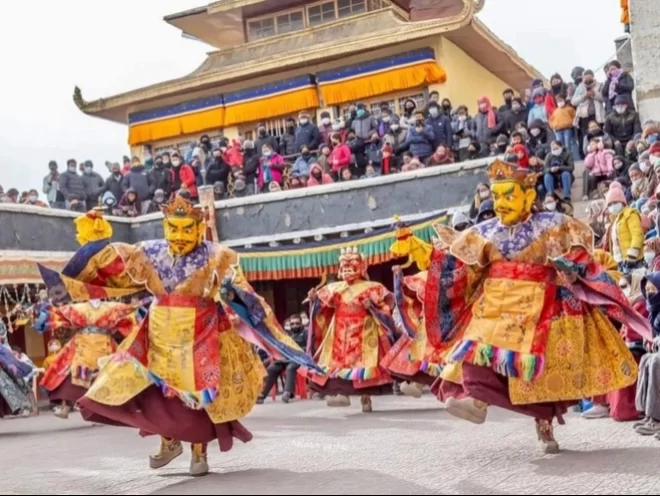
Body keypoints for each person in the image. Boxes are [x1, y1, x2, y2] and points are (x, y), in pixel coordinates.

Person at [40, 196, 319, 477]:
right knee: (153, 390)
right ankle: (169, 441)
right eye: (173, 228)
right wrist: (96, 239)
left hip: (201, 330)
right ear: (165, 227)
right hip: (159, 330)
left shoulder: (218, 256)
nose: (180, 236)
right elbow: (113, 266)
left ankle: (199, 452)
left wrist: (242, 304)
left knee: (195, 391)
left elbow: (242, 293)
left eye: (187, 229)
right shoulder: (149, 252)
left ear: (199, 228)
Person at [425, 159, 650, 453]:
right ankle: (477, 399)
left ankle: (544, 423)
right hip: (495, 304)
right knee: (475, 345)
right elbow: (467, 266)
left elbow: (581, 261)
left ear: (529, 197)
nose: (501, 203)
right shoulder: (483, 232)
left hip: (538, 304)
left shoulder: (554, 227)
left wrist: (570, 270)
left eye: (509, 195)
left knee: (537, 373)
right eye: (496, 196)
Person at [307, 247, 396, 412]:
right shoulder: (334, 288)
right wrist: (315, 301)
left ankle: (366, 396)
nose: (347, 267)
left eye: (352, 263)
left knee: (364, 364)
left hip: (363, 329)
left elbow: (385, 307)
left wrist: (373, 307)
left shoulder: (372, 287)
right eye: (344, 264)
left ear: (361, 267)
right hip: (340, 331)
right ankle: (341, 394)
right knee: (337, 365)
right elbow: (324, 308)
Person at [35, 299, 140, 419]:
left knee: (112, 373)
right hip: (82, 344)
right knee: (67, 372)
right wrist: (46, 311)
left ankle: (119, 407)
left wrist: (136, 307)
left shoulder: (111, 307)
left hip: (103, 343)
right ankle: (64, 405)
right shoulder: (80, 307)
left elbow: (127, 316)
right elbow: (59, 314)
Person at [256, 314, 308, 404]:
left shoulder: (305, 333)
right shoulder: (287, 335)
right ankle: (262, 395)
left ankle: (287, 393)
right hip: (285, 359)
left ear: (301, 324)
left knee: (290, 368)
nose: (295, 326)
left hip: (298, 359)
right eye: (292, 324)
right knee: (271, 368)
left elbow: (308, 348)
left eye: (297, 323)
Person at [634, 273, 660, 435]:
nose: (650, 293)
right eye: (648, 290)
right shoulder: (654, 311)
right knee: (646, 359)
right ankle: (647, 413)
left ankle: (657, 418)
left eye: (654, 289)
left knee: (656, 362)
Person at [604, 185, 644, 272]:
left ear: (622, 202)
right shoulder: (614, 221)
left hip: (633, 260)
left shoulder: (630, 214)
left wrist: (632, 254)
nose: (612, 206)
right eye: (610, 205)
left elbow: (637, 234)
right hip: (621, 262)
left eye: (615, 203)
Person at [571, 69, 606, 137]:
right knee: (587, 137)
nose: (587, 80)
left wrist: (594, 94)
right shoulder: (580, 87)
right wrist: (584, 96)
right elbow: (573, 102)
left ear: (593, 77)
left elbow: (604, 98)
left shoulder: (600, 85)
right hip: (584, 117)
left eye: (589, 78)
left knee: (598, 135)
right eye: (585, 79)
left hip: (597, 115)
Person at [549, 95, 580, 160]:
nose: (559, 102)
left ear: (564, 100)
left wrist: (572, 123)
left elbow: (575, 117)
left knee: (568, 144)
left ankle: (570, 158)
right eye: (558, 101)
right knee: (559, 144)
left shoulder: (570, 109)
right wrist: (553, 126)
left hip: (567, 128)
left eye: (561, 100)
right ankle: (562, 159)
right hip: (558, 129)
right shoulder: (555, 111)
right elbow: (551, 120)